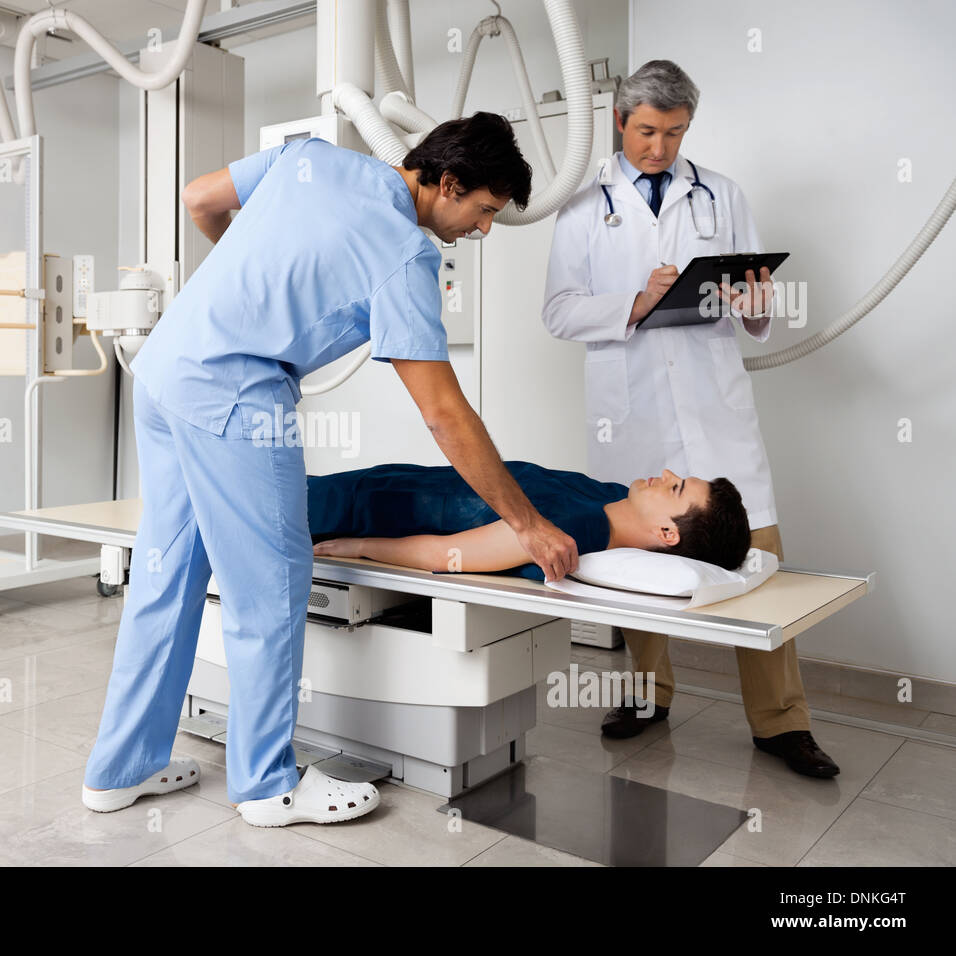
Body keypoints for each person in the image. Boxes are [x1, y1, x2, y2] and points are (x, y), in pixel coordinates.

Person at [82, 113, 581, 827]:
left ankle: (119, 770)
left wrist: (251, 292)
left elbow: (200, 198)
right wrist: (526, 524)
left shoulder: (309, 158)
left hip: (167, 368)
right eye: (484, 211)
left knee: (167, 570)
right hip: (235, 396)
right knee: (271, 585)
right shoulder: (405, 255)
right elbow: (444, 414)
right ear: (447, 182)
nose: (483, 230)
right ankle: (264, 786)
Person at [541, 59, 837, 778]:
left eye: (675, 133)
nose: (660, 148)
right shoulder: (582, 207)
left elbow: (759, 307)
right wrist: (635, 302)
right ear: (619, 121)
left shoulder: (722, 195)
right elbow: (557, 311)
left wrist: (755, 304)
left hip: (717, 413)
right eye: (647, 131)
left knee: (759, 564)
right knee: (634, 564)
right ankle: (645, 697)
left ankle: (780, 723)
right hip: (632, 416)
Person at [310, 462, 749, 577]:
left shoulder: (573, 532)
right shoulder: (614, 499)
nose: (667, 474)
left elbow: (447, 555)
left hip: (357, 512)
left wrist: (359, 546)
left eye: (676, 489)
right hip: (387, 484)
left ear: (667, 533)